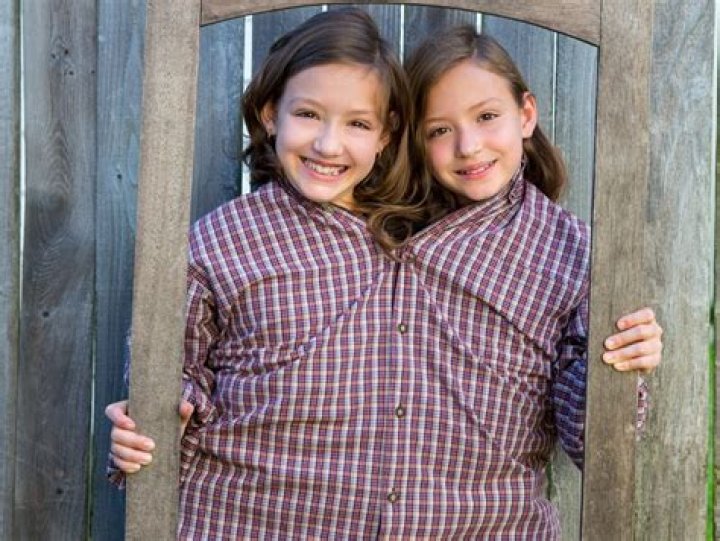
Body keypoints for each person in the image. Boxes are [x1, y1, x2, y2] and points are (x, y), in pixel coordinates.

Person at [107, 12, 662, 539]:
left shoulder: (569, 253)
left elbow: (595, 436)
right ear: (272, 115)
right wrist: (153, 418)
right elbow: (169, 378)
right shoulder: (226, 241)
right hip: (249, 519)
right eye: (439, 129)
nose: (468, 145)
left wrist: (622, 364)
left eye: (487, 117)